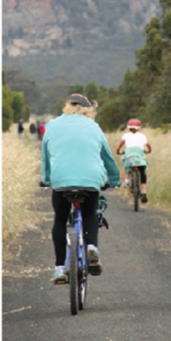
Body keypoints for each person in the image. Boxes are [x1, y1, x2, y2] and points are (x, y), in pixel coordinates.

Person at [41, 94, 120, 283]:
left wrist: (46, 180)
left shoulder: (52, 125)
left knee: (60, 219)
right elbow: (107, 157)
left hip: (61, 180)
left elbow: (46, 156)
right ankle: (91, 246)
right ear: (88, 110)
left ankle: (60, 268)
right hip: (90, 179)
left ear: (66, 107)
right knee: (90, 215)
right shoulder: (94, 127)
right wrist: (114, 179)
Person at [115, 118, 152, 203]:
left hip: (129, 154)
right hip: (139, 155)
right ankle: (143, 192)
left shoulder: (126, 135)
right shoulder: (142, 136)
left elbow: (119, 146)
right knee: (143, 173)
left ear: (128, 127)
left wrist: (118, 152)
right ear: (139, 128)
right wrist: (148, 151)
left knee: (127, 165)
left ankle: (127, 181)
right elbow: (149, 146)